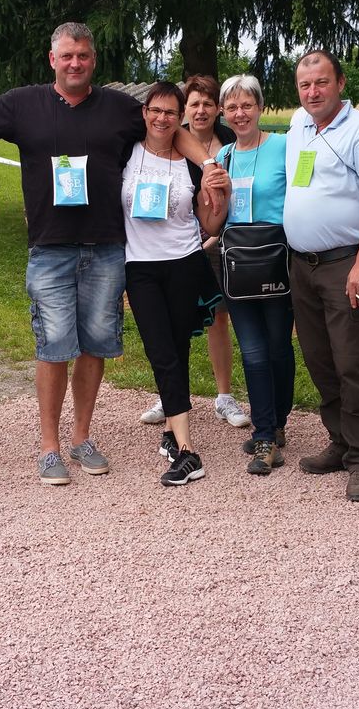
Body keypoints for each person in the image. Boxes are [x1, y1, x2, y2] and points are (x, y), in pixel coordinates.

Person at [0, 22, 224, 485]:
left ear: (93, 60)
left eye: (84, 56)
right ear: (52, 59)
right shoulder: (23, 104)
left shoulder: (119, 107)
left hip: (106, 248)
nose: (75, 63)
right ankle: (49, 447)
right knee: (53, 347)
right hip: (50, 248)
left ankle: (82, 437)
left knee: (95, 346)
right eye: (67, 56)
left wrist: (208, 163)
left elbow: (171, 130)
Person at [284, 50, 359, 503]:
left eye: (321, 82)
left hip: (343, 264)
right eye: (305, 84)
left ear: (341, 83)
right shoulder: (299, 124)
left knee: (350, 360)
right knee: (318, 358)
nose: (313, 92)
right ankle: (340, 440)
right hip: (301, 265)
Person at [122, 82, 228, 486]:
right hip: (140, 267)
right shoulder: (126, 151)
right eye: (155, 110)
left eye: (170, 112)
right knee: (161, 351)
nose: (161, 118)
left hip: (184, 262)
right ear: (144, 112)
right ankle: (188, 450)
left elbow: (210, 224)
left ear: (179, 117)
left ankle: (173, 433)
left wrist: (220, 195)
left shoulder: (190, 163)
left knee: (177, 348)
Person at [137, 74, 250, 430]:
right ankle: (170, 395)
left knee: (218, 319)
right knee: (172, 326)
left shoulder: (230, 142)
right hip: (183, 248)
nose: (201, 111)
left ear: (218, 109)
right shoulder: (173, 140)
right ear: (185, 109)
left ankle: (224, 395)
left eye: (208, 104)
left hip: (222, 243)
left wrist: (211, 237)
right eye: (194, 104)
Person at [212, 74, 295, 476]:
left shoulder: (284, 147)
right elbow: (215, 213)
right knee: (253, 351)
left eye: (247, 105)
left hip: (277, 260)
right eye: (232, 107)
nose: (240, 114)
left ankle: (277, 421)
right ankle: (264, 436)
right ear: (223, 113)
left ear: (260, 107)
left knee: (278, 347)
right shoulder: (224, 156)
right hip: (238, 267)